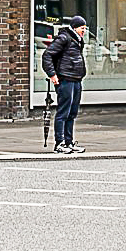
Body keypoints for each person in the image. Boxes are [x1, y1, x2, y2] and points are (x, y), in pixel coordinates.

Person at [42, 14, 88, 154]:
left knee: (72, 113)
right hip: (65, 79)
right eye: (82, 28)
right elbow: (47, 55)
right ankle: (59, 143)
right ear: (74, 28)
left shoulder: (77, 40)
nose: (84, 31)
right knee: (63, 112)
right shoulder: (64, 38)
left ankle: (69, 142)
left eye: (85, 28)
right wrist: (53, 75)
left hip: (76, 79)